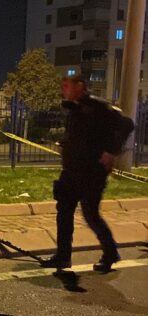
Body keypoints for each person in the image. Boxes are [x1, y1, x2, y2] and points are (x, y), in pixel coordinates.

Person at [40, 76, 134, 272]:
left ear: (79, 86)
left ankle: (110, 253)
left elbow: (127, 124)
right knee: (64, 211)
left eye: (66, 85)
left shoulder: (98, 107)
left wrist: (111, 151)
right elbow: (82, 135)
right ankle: (63, 256)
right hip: (72, 171)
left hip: (92, 172)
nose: (63, 89)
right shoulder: (74, 109)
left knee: (91, 214)